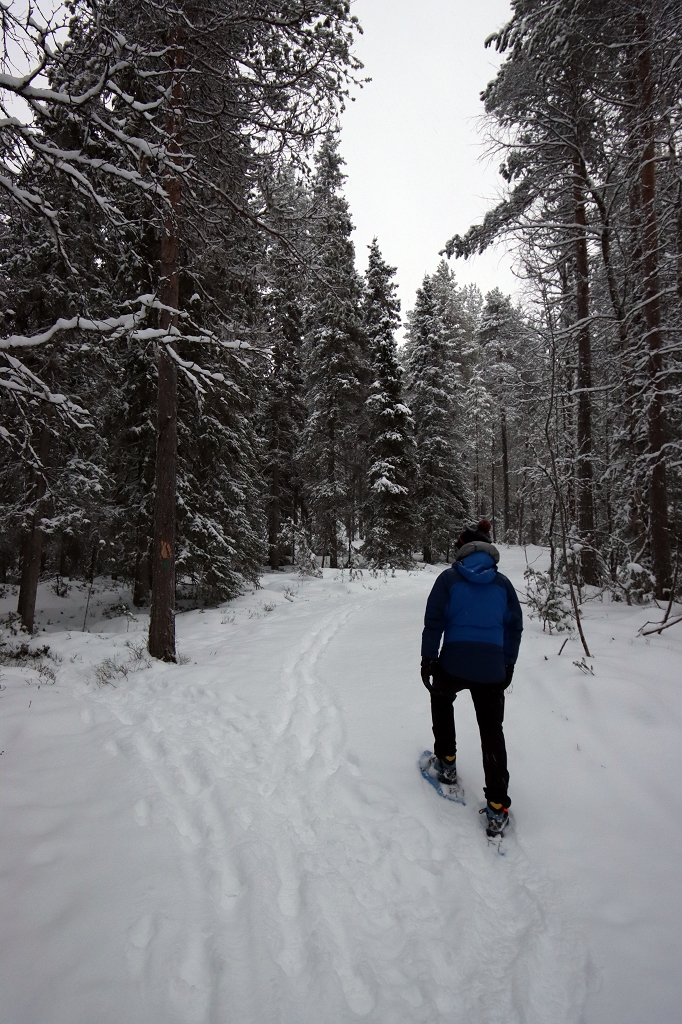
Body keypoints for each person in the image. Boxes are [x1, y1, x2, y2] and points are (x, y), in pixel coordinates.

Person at [420, 519, 523, 836]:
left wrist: (428, 659)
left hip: (453, 662)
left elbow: (434, 621)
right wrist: (507, 665)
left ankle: (447, 763)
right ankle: (496, 808)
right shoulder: (503, 584)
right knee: (492, 730)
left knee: (441, 698)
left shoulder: (449, 580)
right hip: (491, 668)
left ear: (462, 551)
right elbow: (513, 628)